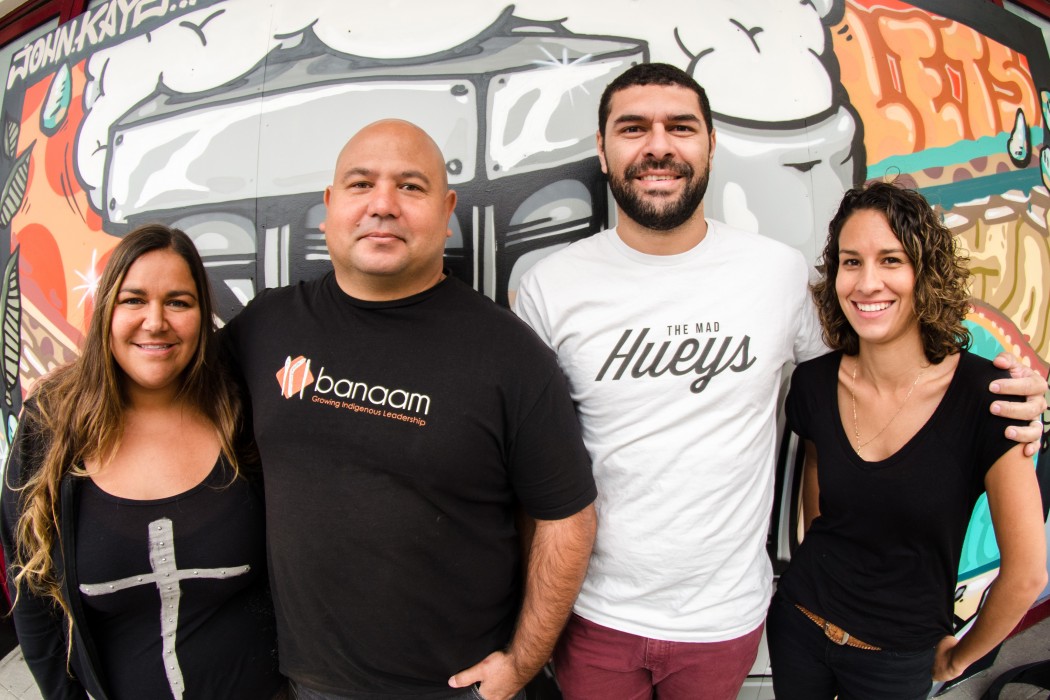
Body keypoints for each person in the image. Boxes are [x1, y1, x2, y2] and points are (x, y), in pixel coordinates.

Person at [513, 63, 1047, 699]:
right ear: (602, 149)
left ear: (711, 145)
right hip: (593, 613)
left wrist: (1005, 388)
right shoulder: (547, 286)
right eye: (633, 128)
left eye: (680, 127)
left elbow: (874, 363)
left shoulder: (777, 274)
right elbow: (525, 459)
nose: (658, 145)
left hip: (725, 618)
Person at [221, 119, 597, 700]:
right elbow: (169, 401)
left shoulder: (509, 355)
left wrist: (523, 662)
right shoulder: (266, 328)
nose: (383, 205)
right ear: (329, 206)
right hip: (307, 687)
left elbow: (567, 518)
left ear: (447, 210)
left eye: (411, 187)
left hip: (455, 689)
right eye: (360, 184)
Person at [767, 181, 1047, 699]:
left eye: (891, 260)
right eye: (851, 262)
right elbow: (818, 508)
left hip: (897, 659)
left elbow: (1027, 573)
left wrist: (962, 656)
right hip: (798, 626)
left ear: (926, 273)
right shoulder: (813, 383)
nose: (867, 282)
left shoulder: (988, 399)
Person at [0, 225, 284, 699]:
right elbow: (31, 594)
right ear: (106, 309)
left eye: (178, 301)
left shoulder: (240, 411)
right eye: (133, 300)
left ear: (201, 314)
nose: (156, 321)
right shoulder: (50, 425)